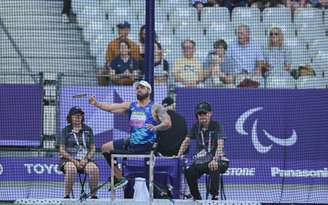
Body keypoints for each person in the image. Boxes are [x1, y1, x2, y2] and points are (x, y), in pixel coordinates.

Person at [88, 80, 172, 189]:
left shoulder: (156, 107)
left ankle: (121, 178)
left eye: (142, 87)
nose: (139, 90)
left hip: (146, 145)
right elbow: (110, 107)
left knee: (114, 149)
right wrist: (97, 103)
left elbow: (167, 123)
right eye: (137, 88)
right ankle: (120, 178)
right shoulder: (131, 106)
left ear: (148, 90)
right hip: (132, 143)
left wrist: (155, 128)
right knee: (105, 148)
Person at [177, 102, 228, 200]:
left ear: (210, 113)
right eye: (200, 114)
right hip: (202, 161)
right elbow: (186, 141)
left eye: (205, 113)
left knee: (213, 166)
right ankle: (197, 198)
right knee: (189, 172)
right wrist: (178, 155)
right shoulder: (196, 127)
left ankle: (214, 197)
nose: (202, 116)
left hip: (218, 160)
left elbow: (220, 144)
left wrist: (215, 159)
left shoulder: (216, 125)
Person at [58, 107, 99, 199]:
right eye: (75, 116)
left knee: (94, 169)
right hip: (69, 160)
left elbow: (92, 148)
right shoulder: (65, 130)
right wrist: (74, 160)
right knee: (71, 169)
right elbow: (61, 150)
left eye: (80, 116)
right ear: (70, 117)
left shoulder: (88, 130)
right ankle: (66, 197)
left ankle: (94, 197)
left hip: (85, 160)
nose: (78, 118)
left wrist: (86, 159)